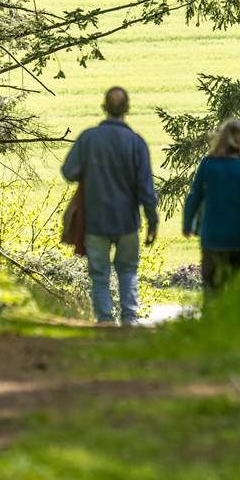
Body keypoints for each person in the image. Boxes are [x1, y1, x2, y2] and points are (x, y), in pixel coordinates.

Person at [61, 86, 158, 326]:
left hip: (96, 220)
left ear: (104, 108)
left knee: (100, 274)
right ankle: (129, 319)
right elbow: (146, 187)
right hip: (127, 221)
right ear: (127, 109)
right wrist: (152, 221)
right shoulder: (136, 143)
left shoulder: (88, 138)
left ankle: (104, 319)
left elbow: (69, 172)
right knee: (127, 271)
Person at [181, 119, 240, 296]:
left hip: (213, 239)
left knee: (213, 291)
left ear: (221, 138)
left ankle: (213, 323)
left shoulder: (208, 164)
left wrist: (187, 224)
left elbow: (194, 196)